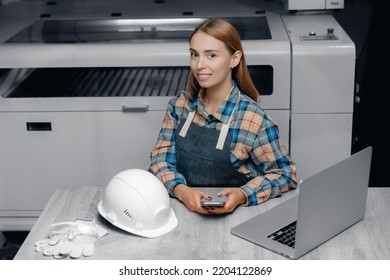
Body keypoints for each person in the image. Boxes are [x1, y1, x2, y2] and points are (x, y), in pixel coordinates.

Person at [149, 18, 297, 215]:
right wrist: (182, 191)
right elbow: (160, 161)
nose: (199, 65)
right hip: (182, 212)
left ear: (234, 59)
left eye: (211, 55)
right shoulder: (179, 107)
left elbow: (286, 174)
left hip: (239, 217)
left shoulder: (254, 120)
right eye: (194, 55)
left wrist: (243, 194)